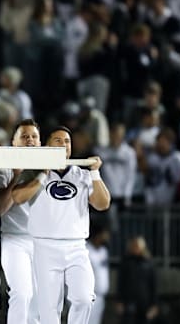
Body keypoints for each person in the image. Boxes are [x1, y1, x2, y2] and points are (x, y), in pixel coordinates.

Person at [12, 125, 111, 324]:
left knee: (84, 298)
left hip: (76, 247)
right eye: (58, 140)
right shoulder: (34, 173)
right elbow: (17, 197)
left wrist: (95, 173)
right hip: (45, 247)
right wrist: (42, 174)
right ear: (47, 145)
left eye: (67, 141)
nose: (64, 145)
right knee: (49, 310)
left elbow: (103, 203)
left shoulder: (82, 175)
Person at [0, 119, 40, 324]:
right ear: (14, 142)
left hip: (41, 241)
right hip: (15, 240)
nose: (30, 140)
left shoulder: (49, 169)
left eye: (34, 137)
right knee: (21, 294)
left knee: (39, 299)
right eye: (24, 136)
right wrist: (15, 178)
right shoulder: (3, 171)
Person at [87, 226, 110, 324]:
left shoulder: (104, 251)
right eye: (103, 235)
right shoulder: (86, 249)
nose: (105, 237)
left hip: (101, 295)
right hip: (88, 295)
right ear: (97, 236)